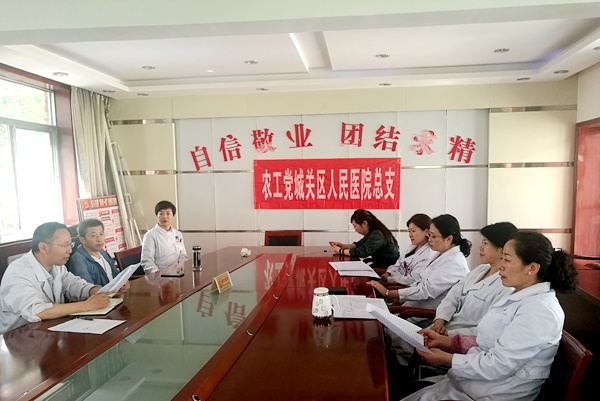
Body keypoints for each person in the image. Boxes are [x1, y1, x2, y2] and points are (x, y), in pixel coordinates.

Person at [402, 231, 579, 401]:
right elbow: (487, 340)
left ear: (532, 268)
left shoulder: (540, 311)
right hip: (472, 384)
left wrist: (447, 358)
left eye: (507, 259)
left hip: (491, 393)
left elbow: (498, 364)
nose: (500, 265)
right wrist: (446, 342)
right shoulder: (518, 297)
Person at [0, 222, 113, 334]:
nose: (70, 250)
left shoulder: (57, 265)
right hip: (19, 337)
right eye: (65, 245)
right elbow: (36, 311)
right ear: (43, 247)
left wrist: (101, 291)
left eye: (70, 245)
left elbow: (73, 284)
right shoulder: (18, 272)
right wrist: (86, 306)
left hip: (49, 331)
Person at [368, 214, 470, 312]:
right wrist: (400, 297)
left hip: (423, 311)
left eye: (433, 236)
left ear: (449, 239)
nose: (429, 240)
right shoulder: (441, 254)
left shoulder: (454, 263)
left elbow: (426, 291)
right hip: (413, 303)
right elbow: (420, 280)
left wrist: (388, 293)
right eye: (429, 235)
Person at [431, 221, 518, 336]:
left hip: (461, 337)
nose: (481, 248)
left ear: (502, 250)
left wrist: (448, 336)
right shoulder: (480, 270)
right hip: (443, 327)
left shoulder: (506, 287)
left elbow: (486, 329)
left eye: (485, 243)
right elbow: (452, 296)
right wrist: (440, 320)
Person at [68, 219, 130, 291]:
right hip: (102, 296)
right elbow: (87, 288)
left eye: (101, 234)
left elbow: (116, 275)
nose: (99, 239)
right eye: (93, 236)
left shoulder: (104, 254)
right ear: (82, 240)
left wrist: (123, 282)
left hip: (115, 294)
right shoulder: (78, 259)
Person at [329, 209, 399, 267]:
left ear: (364, 223)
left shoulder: (378, 234)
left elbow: (363, 252)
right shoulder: (373, 232)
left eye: (355, 226)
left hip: (387, 268)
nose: (355, 230)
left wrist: (341, 251)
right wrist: (342, 245)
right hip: (379, 264)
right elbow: (358, 244)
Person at [382, 214, 435, 286]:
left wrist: (390, 279)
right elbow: (399, 262)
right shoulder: (412, 246)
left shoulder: (428, 254)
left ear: (426, 231)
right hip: (396, 280)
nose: (410, 235)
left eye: (413, 231)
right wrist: (388, 273)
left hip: (406, 287)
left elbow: (412, 280)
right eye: (409, 231)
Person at [141, 200, 187, 274]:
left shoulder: (178, 234)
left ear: (173, 215)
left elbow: (183, 255)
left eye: (168, 213)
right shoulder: (150, 235)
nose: (165, 217)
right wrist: (157, 273)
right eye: (161, 214)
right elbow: (147, 260)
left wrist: (181, 265)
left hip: (177, 273)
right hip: (159, 275)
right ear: (157, 215)